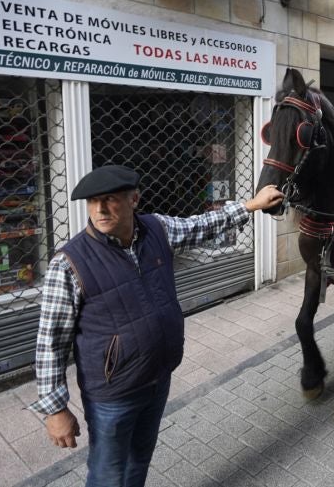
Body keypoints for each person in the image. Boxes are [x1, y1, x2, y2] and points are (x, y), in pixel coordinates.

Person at [30, 165, 284, 487]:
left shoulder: (157, 230)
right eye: (92, 202)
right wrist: (55, 409)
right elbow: (50, 342)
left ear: (134, 199)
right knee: (108, 474)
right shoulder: (69, 264)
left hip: (157, 379)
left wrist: (250, 205)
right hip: (113, 395)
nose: (100, 210)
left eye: (110, 199)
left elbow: (200, 225)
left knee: (139, 462)